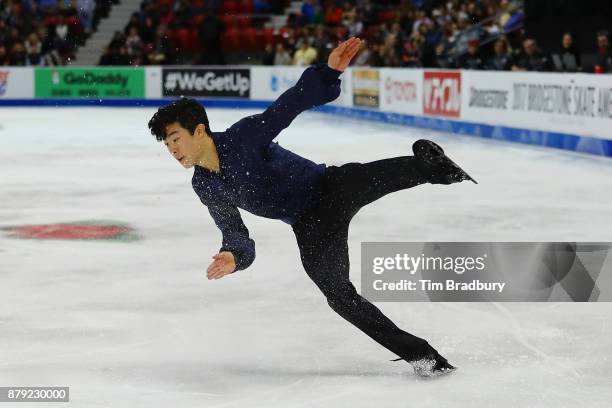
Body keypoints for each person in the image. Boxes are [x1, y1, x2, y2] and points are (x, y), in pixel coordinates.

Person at [148, 38, 472, 377]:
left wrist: (328, 72)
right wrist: (233, 256)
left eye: (175, 139)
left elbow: (287, 106)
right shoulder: (205, 185)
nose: (172, 149)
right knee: (339, 297)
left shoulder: (242, 137)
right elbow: (235, 233)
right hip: (309, 225)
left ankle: (436, 168)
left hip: (327, 187)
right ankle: (424, 358)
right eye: (167, 144)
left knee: (367, 177)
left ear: (199, 131)